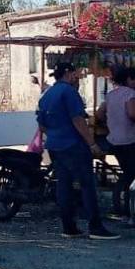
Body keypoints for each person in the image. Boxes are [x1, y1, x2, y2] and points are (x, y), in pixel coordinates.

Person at [37, 62, 119, 239]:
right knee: (87, 185)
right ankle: (95, 227)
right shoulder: (69, 92)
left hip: (54, 146)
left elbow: (41, 125)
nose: (77, 76)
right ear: (68, 73)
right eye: (75, 72)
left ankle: (69, 227)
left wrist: (56, 133)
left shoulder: (47, 94)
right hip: (74, 146)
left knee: (64, 185)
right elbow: (78, 120)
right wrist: (92, 144)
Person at [96, 66, 135, 217]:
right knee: (130, 174)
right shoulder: (131, 94)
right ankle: (121, 207)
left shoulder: (111, 95)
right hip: (129, 140)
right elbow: (132, 114)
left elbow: (99, 115)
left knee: (127, 172)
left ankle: (120, 206)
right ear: (129, 79)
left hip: (114, 140)